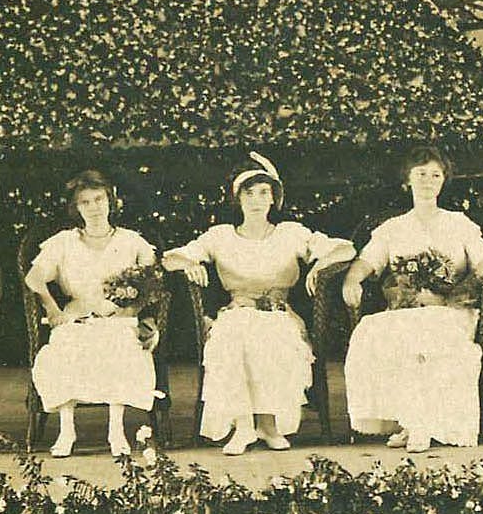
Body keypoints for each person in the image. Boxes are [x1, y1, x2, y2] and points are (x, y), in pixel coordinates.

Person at [163, 154, 356, 455]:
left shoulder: (291, 233)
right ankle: (242, 427)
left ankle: (268, 425)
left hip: (278, 314)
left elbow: (345, 249)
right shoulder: (221, 236)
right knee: (234, 336)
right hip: (237, 312)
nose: (256, 200)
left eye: (264, 192)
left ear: (273, 199)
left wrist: (320, 265)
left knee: (273, 338)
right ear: (237, 199)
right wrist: (189, 264)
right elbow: (170, 257)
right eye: (249, 193)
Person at [340, 148, 483, 452]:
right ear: (408, 181)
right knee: (375, 331)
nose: (427, 181)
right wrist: (352, 279)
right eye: (420, 174)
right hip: (406, 310)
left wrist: (467, 284)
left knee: (427, 335)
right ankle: (410, 420)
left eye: (435, 175)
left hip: (450, 310)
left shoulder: (458, 223)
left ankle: (422, 425)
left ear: (443, 182)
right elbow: (367, 261)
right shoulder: (394, 227)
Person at [26, 170, 161, 458]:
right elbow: (34, 278)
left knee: (119, 347)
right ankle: (67, 430)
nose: (94, 207)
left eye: (99, 199)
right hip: (77, 316)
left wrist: (139, 315)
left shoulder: (131, 241)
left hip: (121, 318)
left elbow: (152, 283)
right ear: (76, 208)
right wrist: (52, 308)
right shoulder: (64, 241)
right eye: (85, 202)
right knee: (63, 349)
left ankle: (116, 430)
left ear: (110, 201)